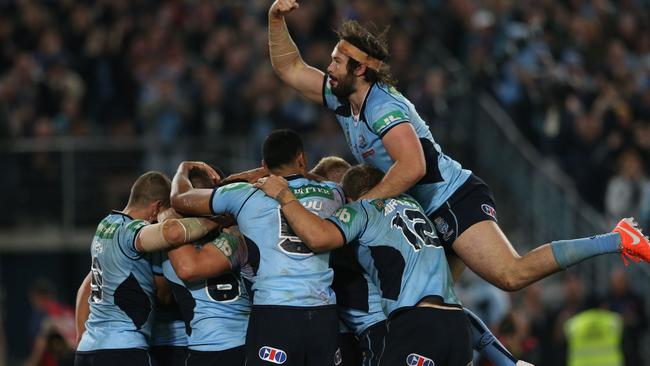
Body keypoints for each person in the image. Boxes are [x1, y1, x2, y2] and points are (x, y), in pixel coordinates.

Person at [267, 0, 649, 293]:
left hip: (451, 198)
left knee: (510, 275)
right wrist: (275, 20)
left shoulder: (383, 107)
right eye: (332, 59)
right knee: (431, 301)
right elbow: (289, 69)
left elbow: (413, 167)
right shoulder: (342, 97)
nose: (329, 67)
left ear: (360, 70)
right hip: (424, 208)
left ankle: (618, 239)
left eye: (338, 61)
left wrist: (364, 207)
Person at [256, 164, 472, 365]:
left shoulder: (363, 209)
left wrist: (284, 195)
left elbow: (317, 237)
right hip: (457, 324)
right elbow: (459, 251)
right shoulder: (414, 204)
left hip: (416, 325)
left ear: (349, 198)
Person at [170, 129, 345, 366]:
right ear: (301, 158)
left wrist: (184, 167)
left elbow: (180, 198)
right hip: (323, 312)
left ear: (264, 164)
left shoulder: (243, 195)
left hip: (274, 312)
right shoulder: (334, 194)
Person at [75, 171, 221, 366]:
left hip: (89, 348)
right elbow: (172, 234)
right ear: (157, 208)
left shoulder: (105, 225)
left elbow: (87, 286)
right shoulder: (133, 233)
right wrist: (217, 219)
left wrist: (81, 337)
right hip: (124, 348)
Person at [165, 167, 251, 365]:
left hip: (206, 350)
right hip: (247, 345)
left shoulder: (167, 245)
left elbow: (161, 293)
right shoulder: (240, 236)